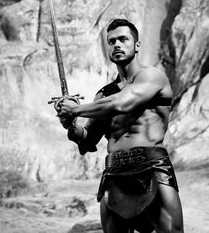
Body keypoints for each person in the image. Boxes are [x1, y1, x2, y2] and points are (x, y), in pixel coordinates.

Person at [55, 18, 184, 233]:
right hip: (114, 175)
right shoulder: (104, 94)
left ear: (137, 45)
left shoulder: (152, 77)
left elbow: (123, 103)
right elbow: (87, 140)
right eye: (111, 41)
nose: (117, 45)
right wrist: (70, 124)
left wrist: (76, 109)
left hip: (152, 170)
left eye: (123, 39)